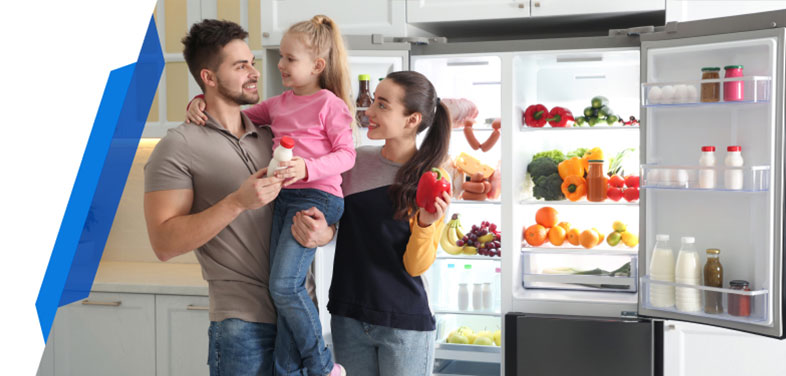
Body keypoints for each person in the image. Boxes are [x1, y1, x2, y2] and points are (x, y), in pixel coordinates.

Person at [144, 19, 321, 376]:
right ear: (208, 78)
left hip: (302, 320)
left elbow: (319, 201)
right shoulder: (177, 146)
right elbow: (163, 243)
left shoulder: (274, 136)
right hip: (243, 324)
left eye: (251, 63)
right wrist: (236, 201)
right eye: (240, 67)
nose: (254, 72)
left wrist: (324, 233)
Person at [186, 15, 355, 376]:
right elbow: (235, 110)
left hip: (319, 197)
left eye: (290, 59)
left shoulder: (330, 104)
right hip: (287, 199)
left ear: (317, 66)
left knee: (283, 286)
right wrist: (200, 100)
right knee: (282, 291)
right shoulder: (279, 104)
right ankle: (286, 370)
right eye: (282, 56)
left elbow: (347, 155)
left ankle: (323, 366)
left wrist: (306, 168)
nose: (279, 65)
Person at [290, 71, 452, 376]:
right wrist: (323, 233)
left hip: (404, 322)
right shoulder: (354, 161)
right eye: (373, 102)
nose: (369, 112)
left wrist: (428, 224)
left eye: (382, 105)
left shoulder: (433, 179)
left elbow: (416, 266)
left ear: (411, 120)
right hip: (348, 314)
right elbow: (338, 226)